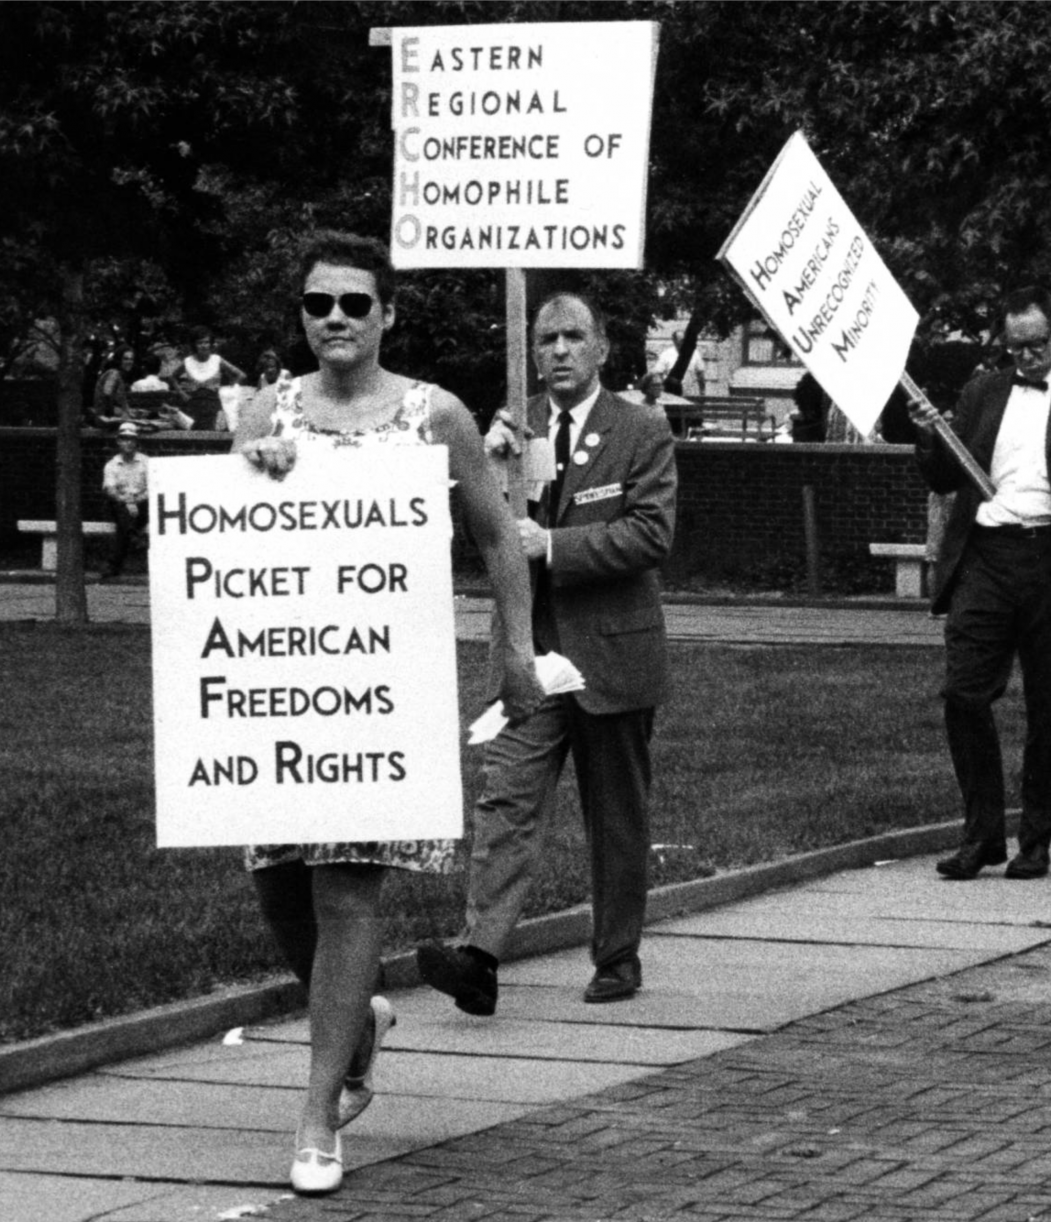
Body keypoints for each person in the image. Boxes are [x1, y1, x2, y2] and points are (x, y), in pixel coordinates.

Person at [231, 232, 544, 1197]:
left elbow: (495, 537)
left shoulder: (432, 415)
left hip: (379, 686)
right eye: (319, 303)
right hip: (283, 684)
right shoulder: (262, 406)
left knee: (348, 888)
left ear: (387, 316)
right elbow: (229, 526)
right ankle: (357, 1021)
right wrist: (258, 469)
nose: (335, 318)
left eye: (355, 304)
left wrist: (516, 651)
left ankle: (319, 1111)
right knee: (282, 887)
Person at [417, 291, 677, 1013]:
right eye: (545, 340)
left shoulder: (641, 429)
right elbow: (476, 539)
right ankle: (480, 956)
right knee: (507, 798)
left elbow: (651, 535)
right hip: (527, 653)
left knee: (616, 814)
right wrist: (487, 477)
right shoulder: (509, 428)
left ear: (601, 349)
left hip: (611, 656)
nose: (558, 351)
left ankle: (617, 957)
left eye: (573, 338)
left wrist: (554, 545)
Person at [910, 286, 1051, 881]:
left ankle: (1036, 836)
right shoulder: (984, 390)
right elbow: (944, 475)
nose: (1027, 358)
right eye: (1016, 348)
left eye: (1037, 345)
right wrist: (930, 435)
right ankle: (981, 832)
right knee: (964, 694)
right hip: (986, 556)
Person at [100, 422, 148, 577]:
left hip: (141, 503)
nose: (128, 442)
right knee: (121, 512)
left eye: (132, 439)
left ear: (136, 441)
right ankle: (134, 536)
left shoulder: (146, 462)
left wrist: (136, 501)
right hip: (120, 504)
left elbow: (153, 488)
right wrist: (126, 501)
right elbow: (110, 490)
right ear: (118, 441)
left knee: (124, 525)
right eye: (125, 439)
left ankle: (113, 566)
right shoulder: (112, 465)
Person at [179, 326, 244, 430]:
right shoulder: (188, 361)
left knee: (210, 431)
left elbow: (240, 375)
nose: (203, 346)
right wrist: (181, 392)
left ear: (210, 344)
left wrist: (230, 389)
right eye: (200, 343)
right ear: (194, 345)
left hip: (213, 403)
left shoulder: (217, 360)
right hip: (193, 403)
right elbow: (172, 377)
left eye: (206, 342)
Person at [653, 329, 707, 396]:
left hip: (690, 394)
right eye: (681, 340)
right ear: (674, 341)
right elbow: (658, 374)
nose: (683, 343)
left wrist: (702, 391)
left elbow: (700, 374)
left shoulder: (694, 353)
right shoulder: (666, 354)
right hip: (671, 395)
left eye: (685, 340)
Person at [91, 348, 136, 427]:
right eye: (125, 359)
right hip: (106, 420)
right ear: (119, 360)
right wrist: (116, 413)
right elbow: (107, 393)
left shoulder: (119, 375)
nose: (129, 362)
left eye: (131, 359)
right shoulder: (113, 374)